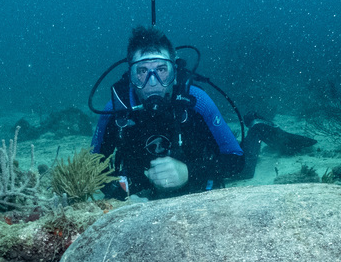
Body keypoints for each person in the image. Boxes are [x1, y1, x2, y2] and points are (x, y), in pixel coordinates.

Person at [92, 26, 244, 199]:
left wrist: (188, 172)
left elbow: (237, 159)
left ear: (174, 72)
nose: (153, 82)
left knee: (248, 170)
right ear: (131, 76)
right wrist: (124, 187)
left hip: (196, 189)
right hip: (142, 195)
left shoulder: (197, 101)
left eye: (161, 70)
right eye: (142, 71)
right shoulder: (116, 110)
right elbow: (93, 167)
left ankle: (257, 127)